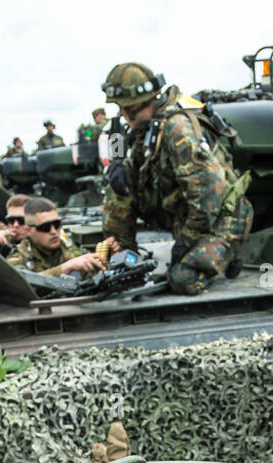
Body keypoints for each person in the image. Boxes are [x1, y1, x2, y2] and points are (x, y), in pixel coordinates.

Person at [101, 61, 253, 295]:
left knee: (183, 279)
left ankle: (228, 250)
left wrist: (183, 244)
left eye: (124, 107)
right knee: (116, 185)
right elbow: (128, 170)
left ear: (139, 104)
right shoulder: (142, 125)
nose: (120, 114)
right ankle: (124, 259)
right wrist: (118, 162)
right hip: (182, 210)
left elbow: (208, 198)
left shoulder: (177, 128)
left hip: (219, 217)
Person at [7, 195, 103, 276]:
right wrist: (64, 268)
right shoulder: (18, 257)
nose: (53, 231)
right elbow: (23, 285)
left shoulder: (70, 249)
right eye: (45, 227)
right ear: (28, 230)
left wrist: (106, 255)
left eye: (57, 224)